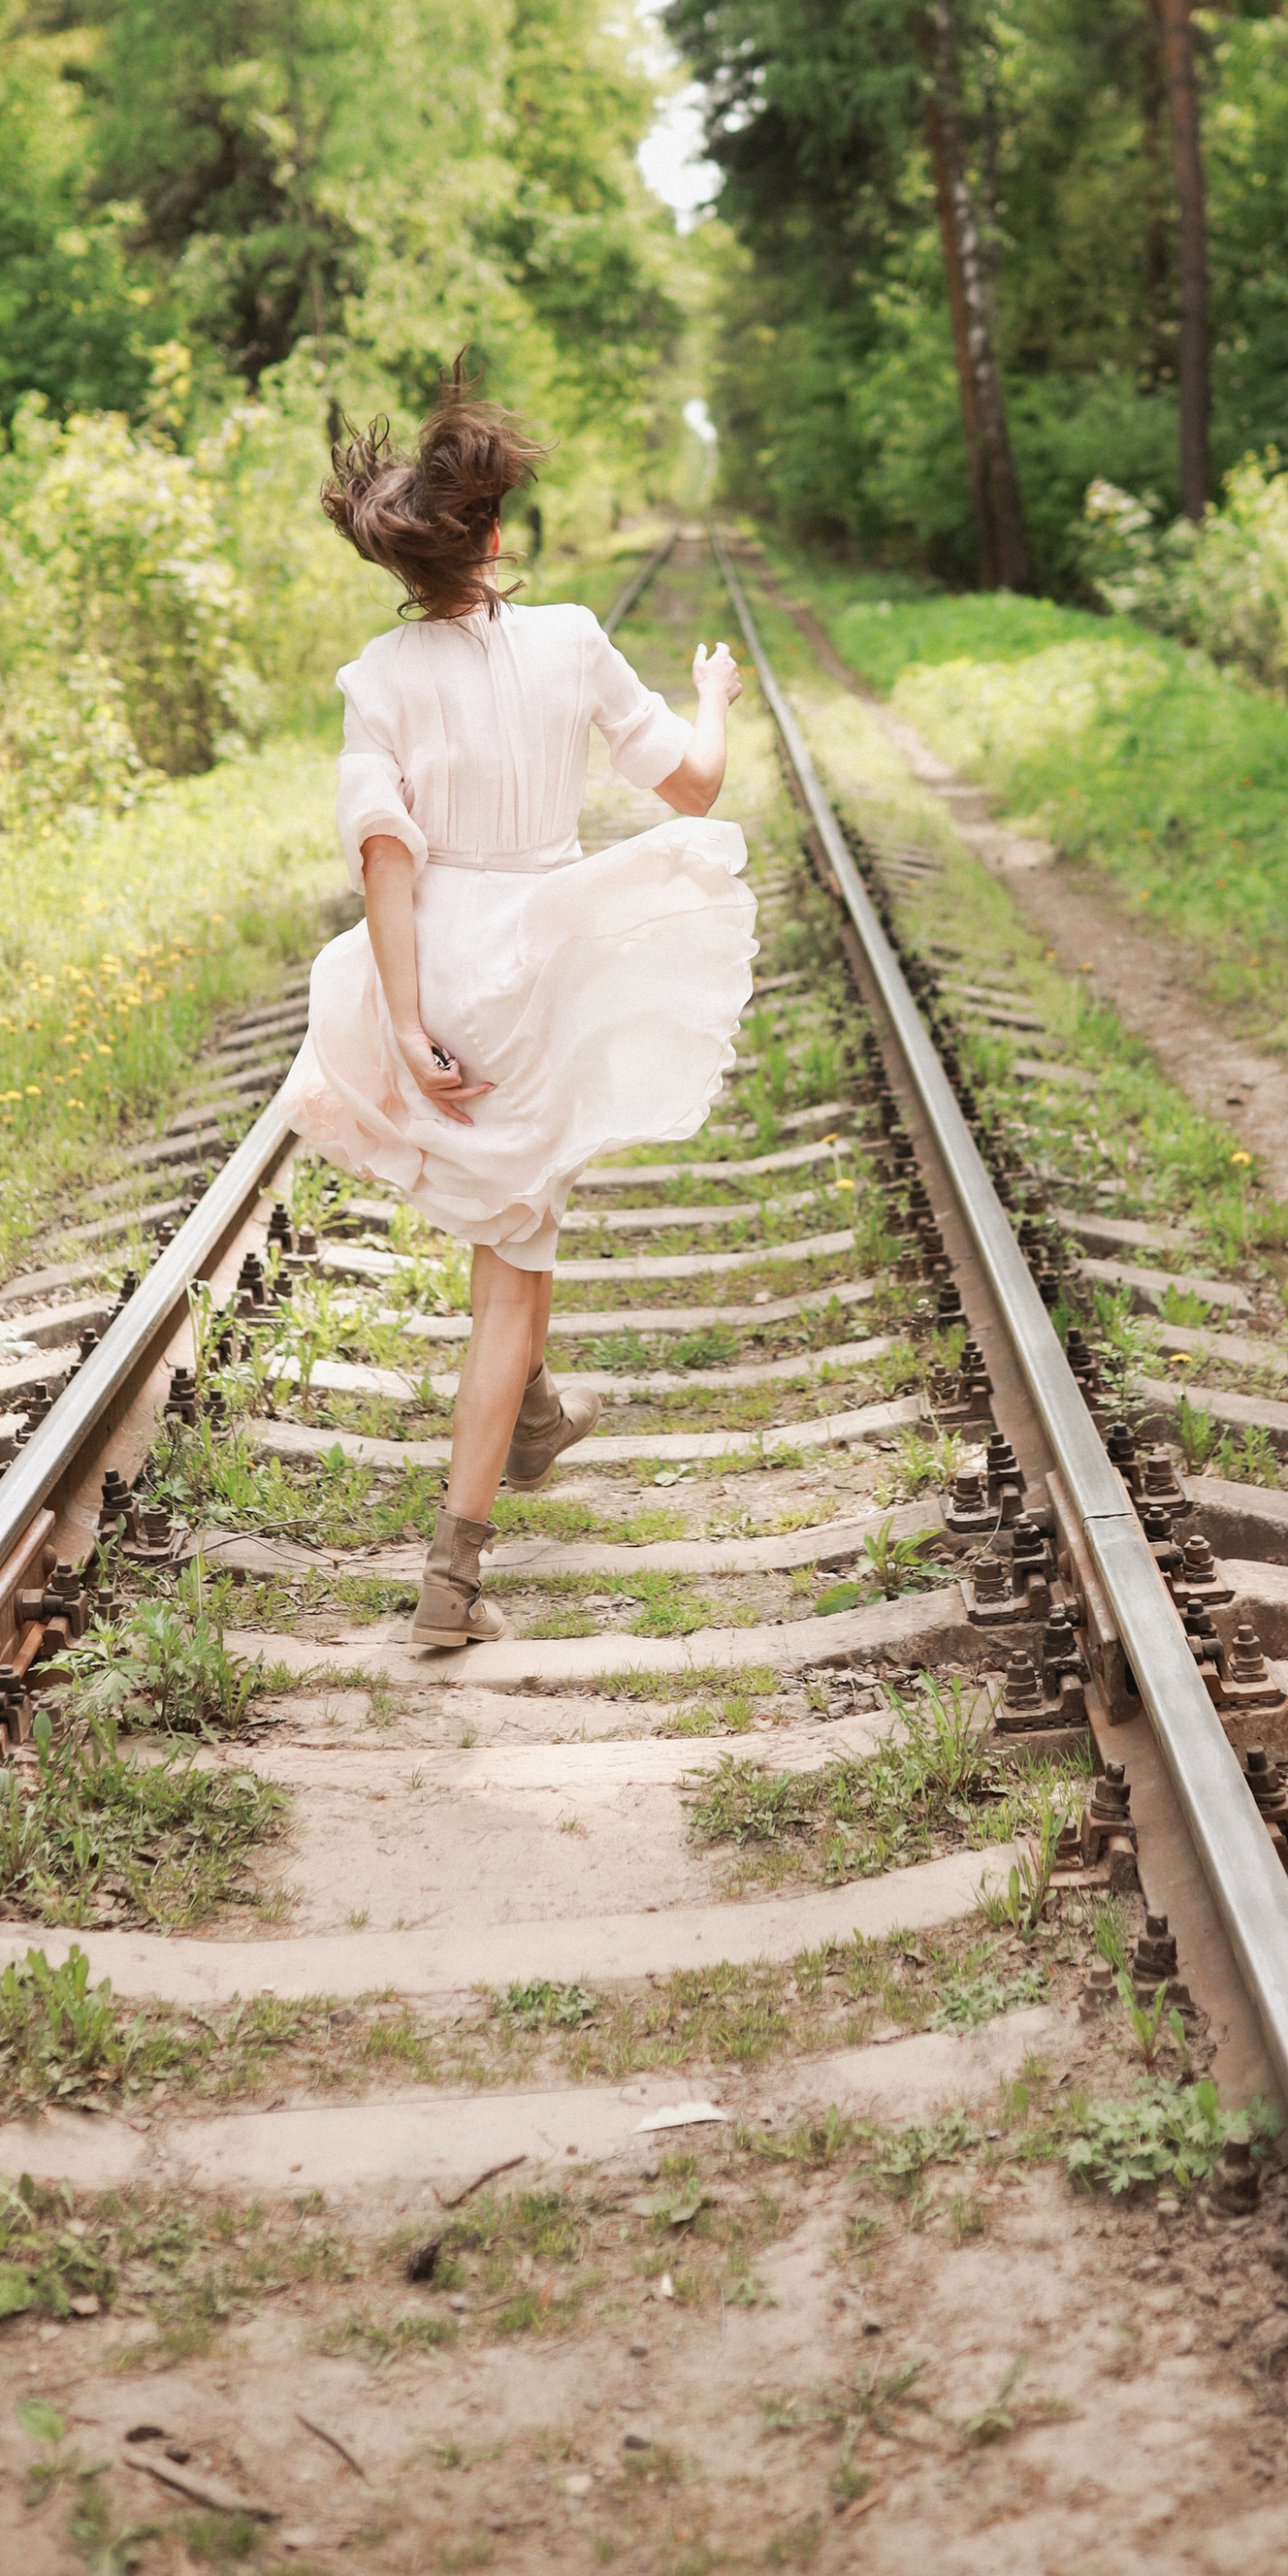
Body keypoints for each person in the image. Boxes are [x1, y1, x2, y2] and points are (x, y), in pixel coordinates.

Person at [282, 377, 754, 1649]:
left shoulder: (378, 675)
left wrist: (406, 1015)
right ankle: (453, 1580)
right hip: (539, 966)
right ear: (491, 539)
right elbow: (695, 790)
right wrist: (710, 695)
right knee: (513, 1269)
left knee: (513, 1223)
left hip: (440, 964)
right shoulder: (572, 641)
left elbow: (384, 853)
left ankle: (535, 1410)